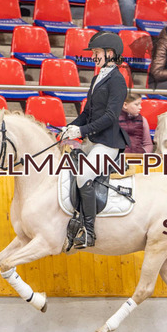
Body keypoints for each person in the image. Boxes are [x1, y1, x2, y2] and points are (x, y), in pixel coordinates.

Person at [62, 32, 130, 248]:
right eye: (93, 52)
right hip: (92, 140)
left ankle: (88, 232)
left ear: (110, 53)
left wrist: (81, 130)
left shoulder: (118, 80)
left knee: (83, 175)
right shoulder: (97, 78)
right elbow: (87, 112)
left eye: (97, 52)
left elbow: (110, 117)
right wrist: (71, 127)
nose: (93, 57)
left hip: (108, 143)